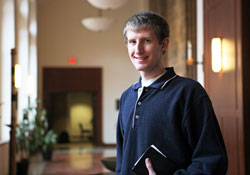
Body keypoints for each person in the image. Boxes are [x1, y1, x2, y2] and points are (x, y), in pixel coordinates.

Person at [116, 11, 228, 175]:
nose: (138, 49)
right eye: (132, 42)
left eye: (146, 41)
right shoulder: (127, 96)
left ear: (164, 44)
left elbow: (212, 161)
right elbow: (121, 162)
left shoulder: (189, 92)